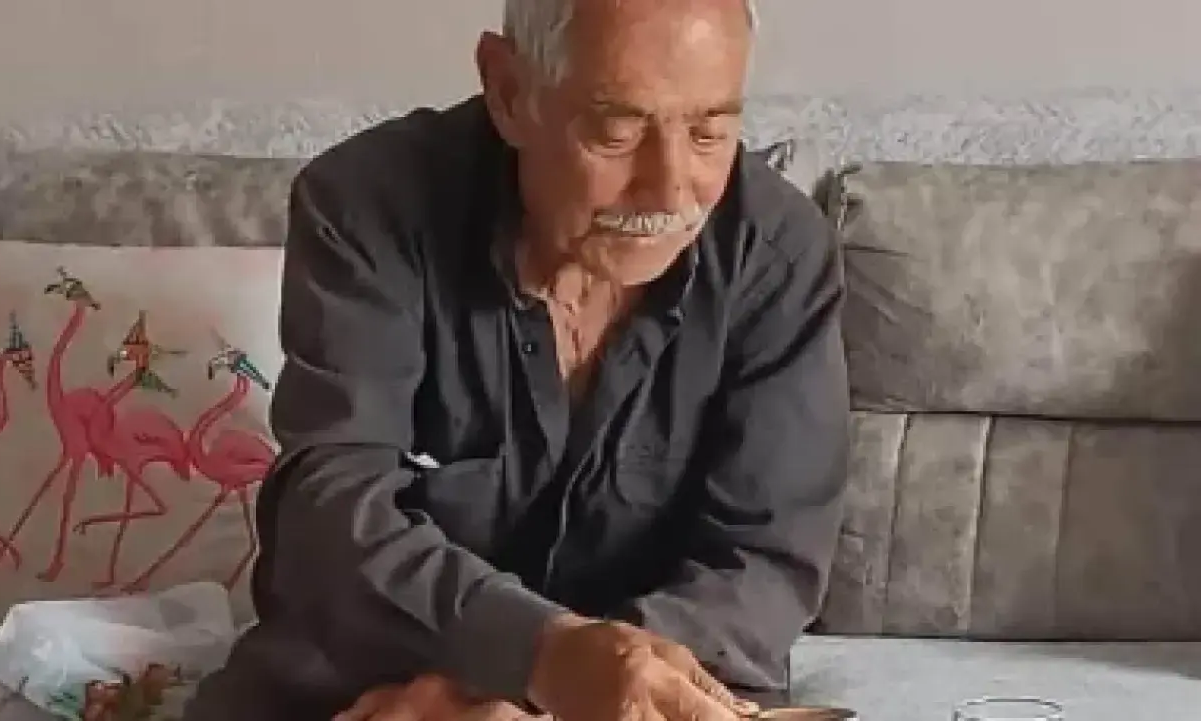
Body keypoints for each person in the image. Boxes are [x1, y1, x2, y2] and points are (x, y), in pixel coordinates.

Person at [185, 0, 848, 719]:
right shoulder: (366, 206)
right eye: (617, 130)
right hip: (378, 679)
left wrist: (558, 694)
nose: (670, 189)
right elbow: (332, 512)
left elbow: (767, 562)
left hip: (658, 690)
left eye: (709, 132)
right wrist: (536, 656)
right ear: (508, 90)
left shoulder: (778, 254)